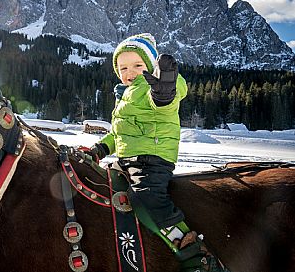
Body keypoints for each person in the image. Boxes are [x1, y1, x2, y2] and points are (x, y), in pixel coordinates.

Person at [81, 34, 229, 272]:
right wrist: (100, 149)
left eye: (138, 65)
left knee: (145, 198)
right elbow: (120, 134)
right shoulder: (126, 94)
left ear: (150, 67)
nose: (130, 72)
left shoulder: (153, 87)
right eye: (123, 67)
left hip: (152, 160)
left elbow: (165, 100)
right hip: (127, 160)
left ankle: (192, 253)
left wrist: (164, 90)